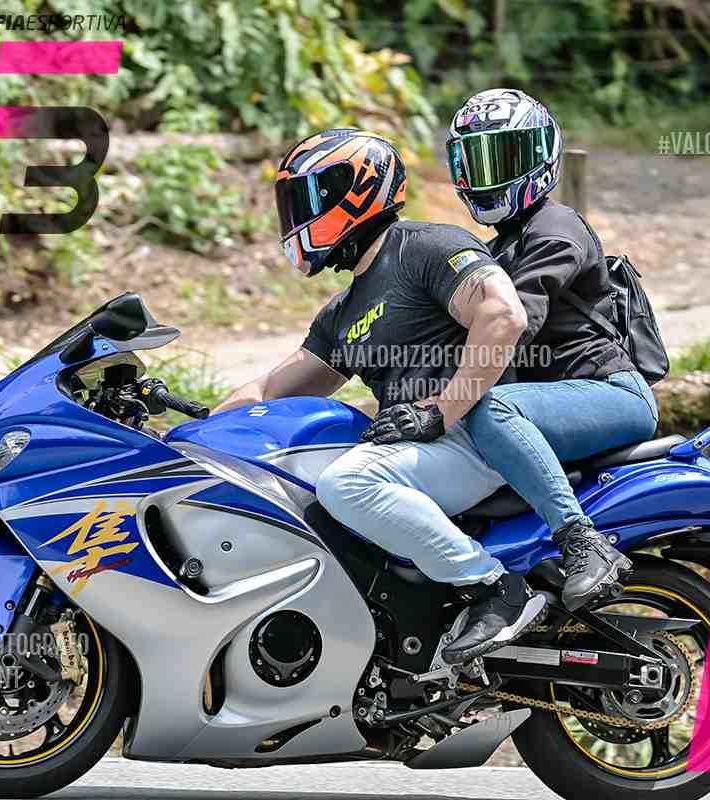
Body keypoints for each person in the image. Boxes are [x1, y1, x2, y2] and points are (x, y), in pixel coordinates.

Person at [213, 128, 544, 664]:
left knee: (348, 482)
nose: (298, 214)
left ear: (359, 189)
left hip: (477, 439)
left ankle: (493, 588)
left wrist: (441, 410)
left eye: (311, 196)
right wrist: (192, 432)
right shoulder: (343, 314)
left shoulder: (426, 246)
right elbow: (271, 389)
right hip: (419, 451)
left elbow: (503, 315)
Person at [442, 89, 661, 610]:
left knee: (486, 406)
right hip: (553, 403)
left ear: (541, 156)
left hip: (610, 392)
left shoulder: (556, 227)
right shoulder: (497, 247)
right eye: (477, 161)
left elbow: (519, 319)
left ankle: (582, 541)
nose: (489, 176)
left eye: (504, 159)